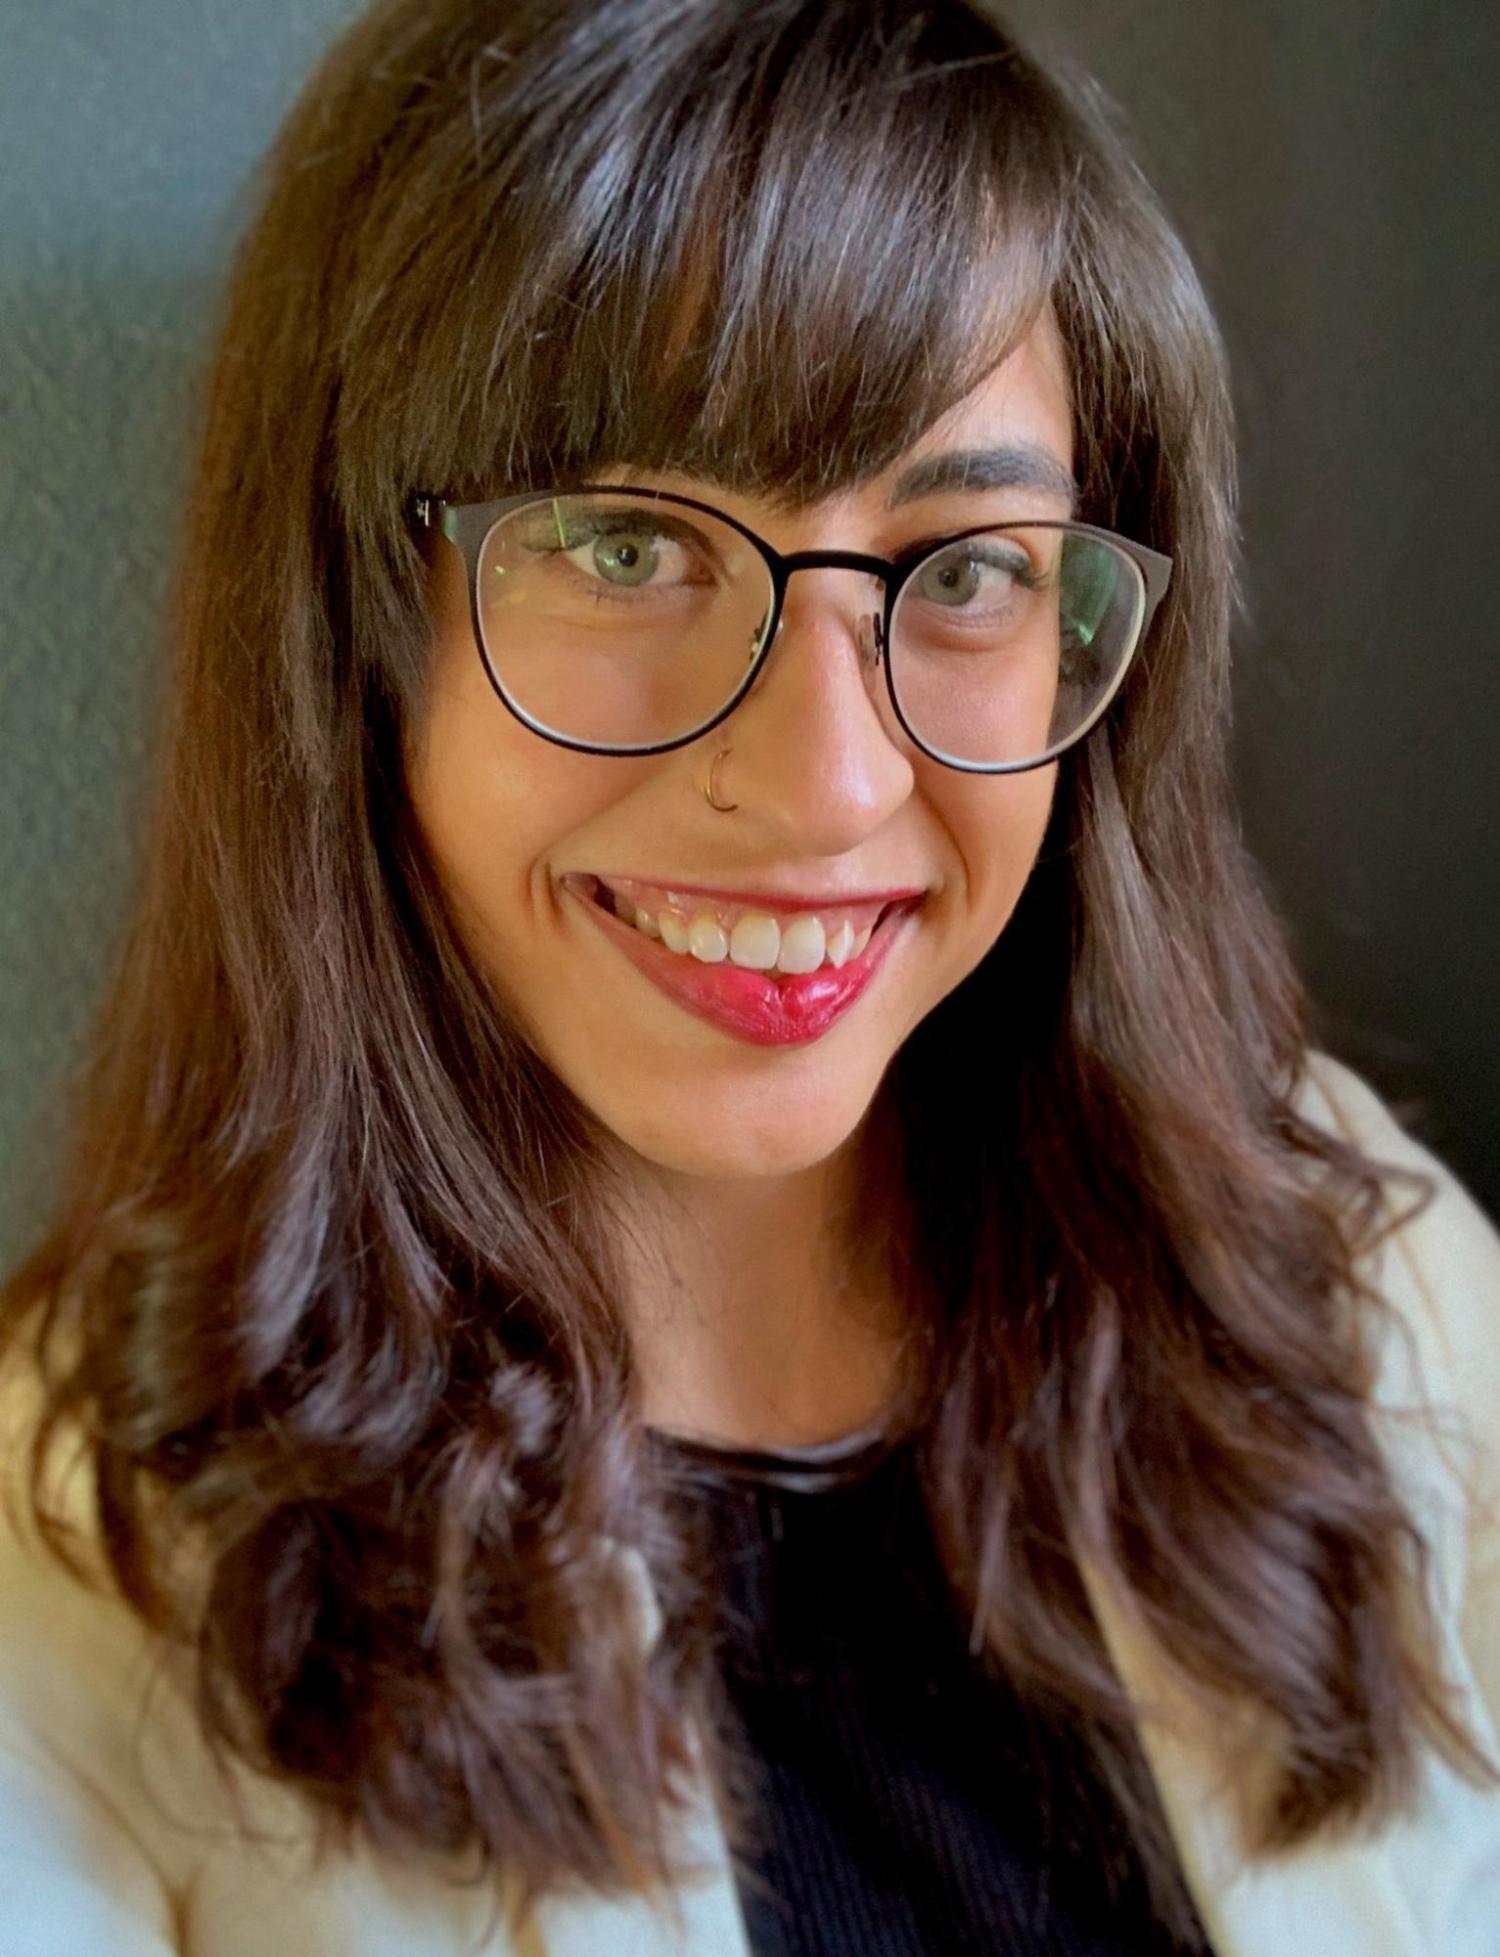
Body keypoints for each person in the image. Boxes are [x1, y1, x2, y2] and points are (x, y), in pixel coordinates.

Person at [0, 1, 1496, 1952]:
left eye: (967, 568)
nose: (830, 782)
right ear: (355, 625)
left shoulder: (1354, 1285)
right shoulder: (75, 1560)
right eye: (629, 545)